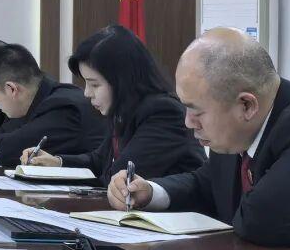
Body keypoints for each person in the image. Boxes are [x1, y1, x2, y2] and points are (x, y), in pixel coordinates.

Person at [108, 28, 290, 247]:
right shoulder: (237, 130)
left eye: (196, 111)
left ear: (246, 105)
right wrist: (149, 193)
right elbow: (207, 185)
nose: (188, 122)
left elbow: (259, 219)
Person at [21, 25, 204, 185]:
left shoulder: (163, 113)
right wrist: (57, 162)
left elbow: (116, 177)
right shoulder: (123, 111)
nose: (86, 93)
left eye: (94, 85)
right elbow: (99, 161)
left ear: (122, 81)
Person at [0, 43, 103, 167]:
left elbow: (7, 152)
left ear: (12, 89)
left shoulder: (62, 108)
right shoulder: (47, 96)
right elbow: (15, 136)